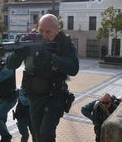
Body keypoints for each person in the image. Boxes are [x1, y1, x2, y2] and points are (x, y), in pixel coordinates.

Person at [6, 14, 79, 142]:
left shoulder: (64, 43)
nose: (44, 35)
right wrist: (19, 53)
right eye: (41, 30)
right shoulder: (31, 40)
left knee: (46, 135)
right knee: (37, 135)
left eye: (48, 31)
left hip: (55, 96)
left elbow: (73, 68)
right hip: (35, 97)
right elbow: (10, 64)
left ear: (57, 30)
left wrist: (51, 58)